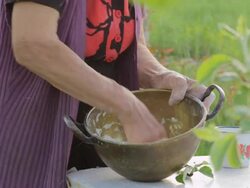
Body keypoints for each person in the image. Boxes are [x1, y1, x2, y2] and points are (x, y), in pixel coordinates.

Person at [0, 0, 214, 187]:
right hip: (34, 131)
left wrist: (160, 76)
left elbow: (122, 39)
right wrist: (126, 105)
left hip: (100, 141)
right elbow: (33, 44)